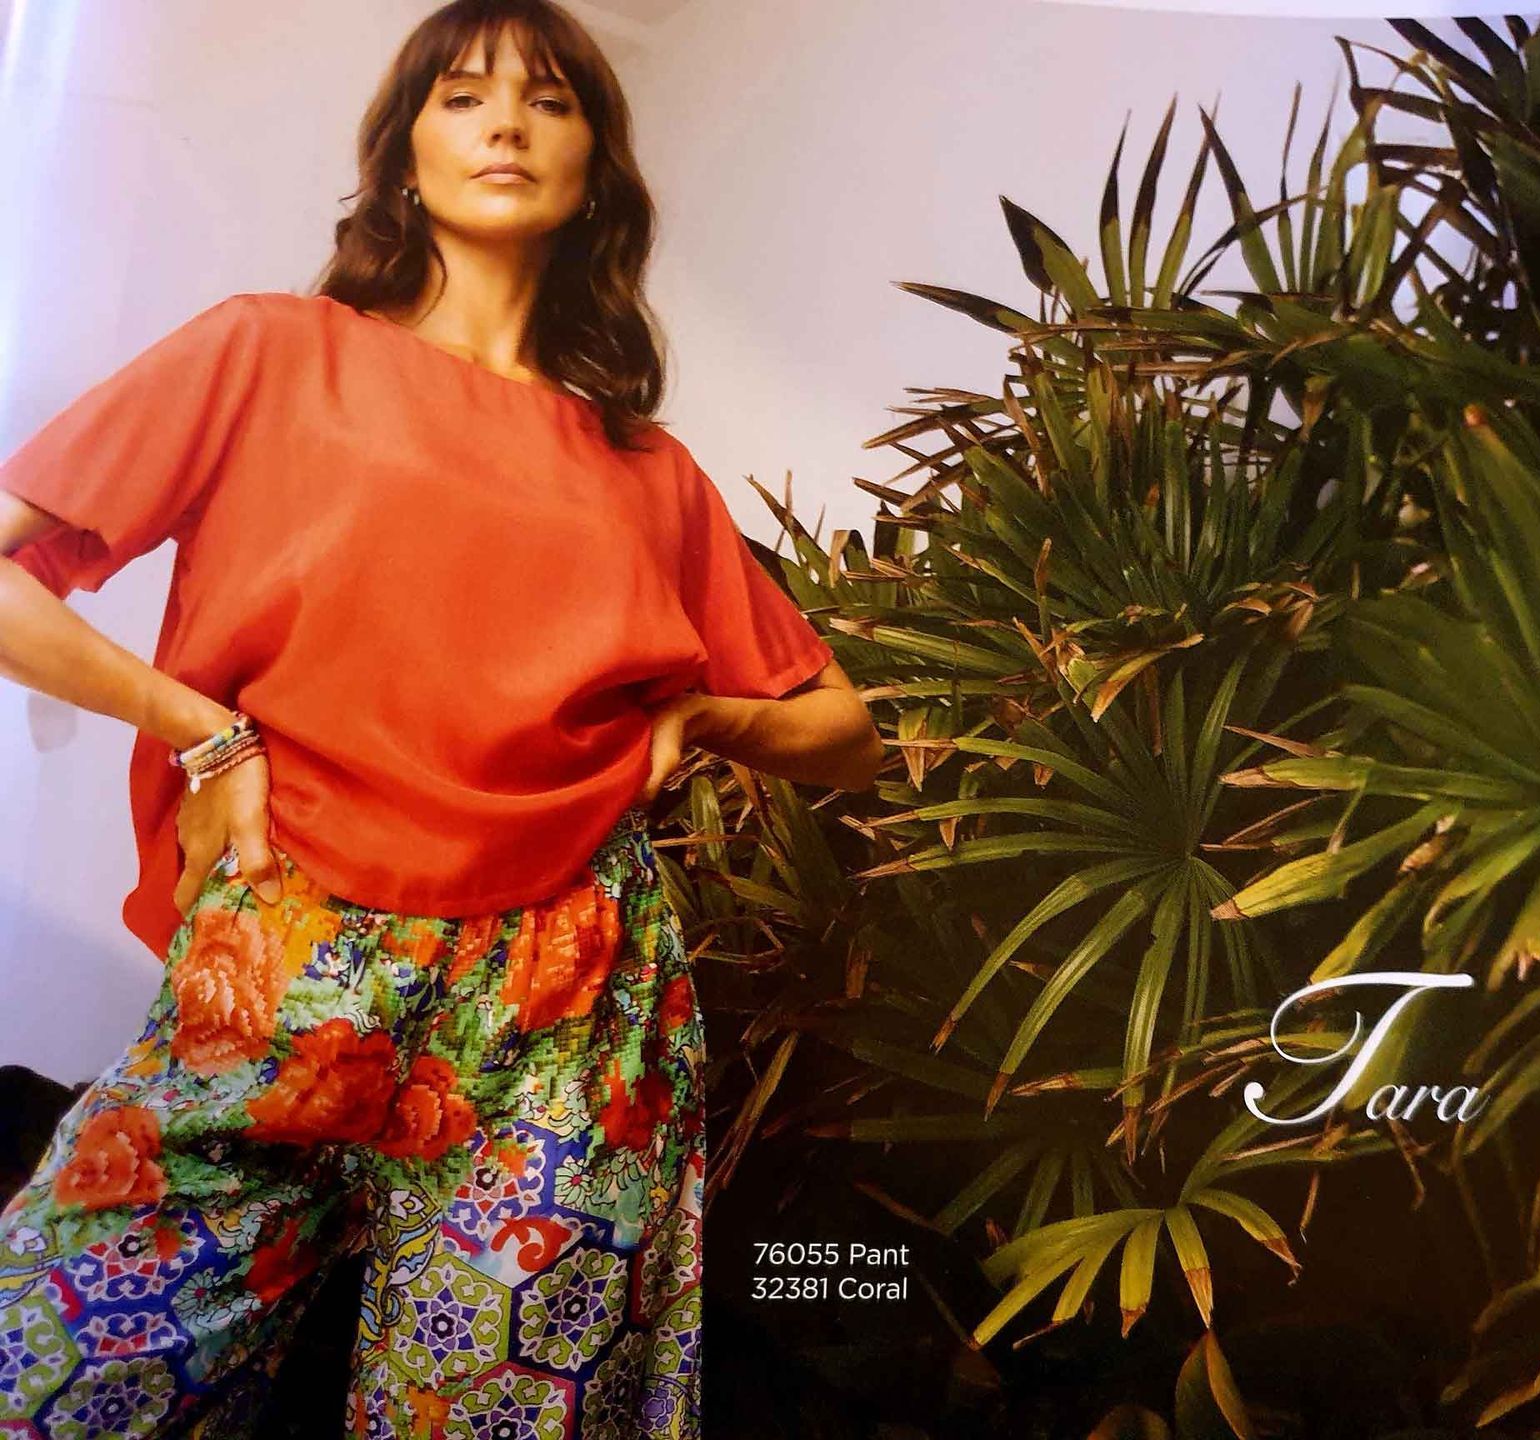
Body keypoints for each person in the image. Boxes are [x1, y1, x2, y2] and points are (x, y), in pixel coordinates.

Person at [0, 0, 883, 1434]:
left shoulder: (648, 473)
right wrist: (202, 729)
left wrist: (703, 716)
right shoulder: (271, 353)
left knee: (504, 1416)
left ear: (596, 173)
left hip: (566, 983)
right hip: (291, 949)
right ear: (405, 156)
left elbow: (845, 733)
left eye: (550, 103)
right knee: (56, 1379)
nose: (508, 127)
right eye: (465, 97)